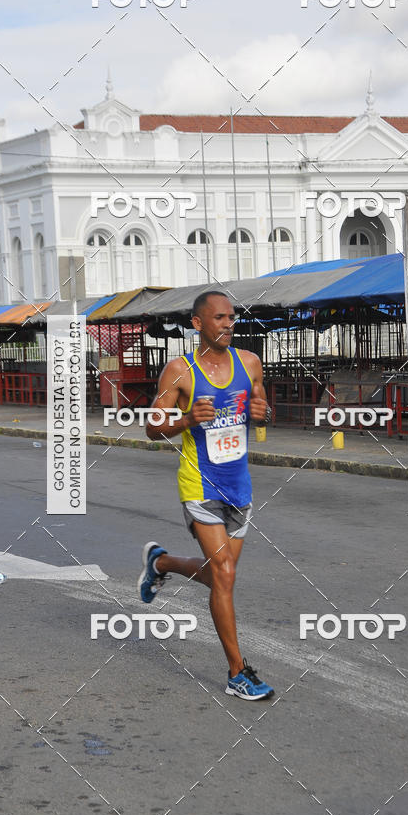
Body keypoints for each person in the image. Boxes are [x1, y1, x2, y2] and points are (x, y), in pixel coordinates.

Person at [138, 290, 274, 701]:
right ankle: (237, 673)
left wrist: (262, 410)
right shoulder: (179, 372)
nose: (228, 324)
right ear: (198, 324)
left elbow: (261, 401)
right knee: (226, 576)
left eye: (232, 317)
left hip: (239, 485)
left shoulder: (248, 363)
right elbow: (152, 427)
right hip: (199, 484)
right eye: (219, 318)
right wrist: (185, 419)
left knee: (219, 576)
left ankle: (160, 562)